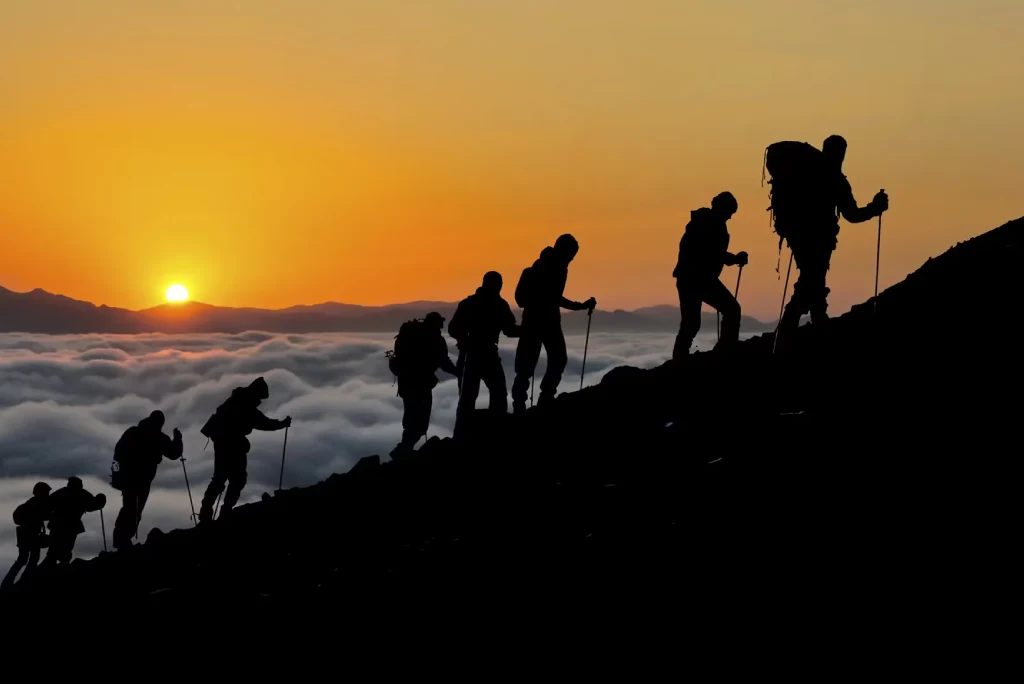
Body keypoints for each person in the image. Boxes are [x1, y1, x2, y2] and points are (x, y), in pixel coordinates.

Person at [778, 134, 888, 335]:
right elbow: (852, 215)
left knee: (812, 280)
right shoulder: (836, 180)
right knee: (811, 281)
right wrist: (875, 208)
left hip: (800, 238)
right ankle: (794, 326)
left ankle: (808, 322)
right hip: (818, 241)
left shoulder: (807, 173)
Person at [511, 234, 596, 413]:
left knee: (529, 365)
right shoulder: (548, 270)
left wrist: (579, 306)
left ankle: (526, 403)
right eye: (571, 254)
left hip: (536, 322)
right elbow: (553, 297)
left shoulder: (548, 269)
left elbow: (542, 298)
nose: (572, 259)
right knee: (548, 361)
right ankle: (542, 398)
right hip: (543, 323)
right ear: (562, 251)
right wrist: (579, 306)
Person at [197, 377, 291, 523]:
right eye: (260, 396)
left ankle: (206, 513)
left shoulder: (235, 400)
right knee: (237, 479)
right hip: (234, 446)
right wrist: (282, 424)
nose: (260, 400)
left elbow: (257, 420)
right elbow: (262, 422)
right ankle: (225, 512)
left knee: (219, 479)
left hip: (222, 445)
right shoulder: (245, 406)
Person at [671, 191, 748, 360]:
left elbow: (713, 252)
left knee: (691, 324)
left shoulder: (704, 222)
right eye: (729, 213)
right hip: (697, 279)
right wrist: (734, 258)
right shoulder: (708, 224)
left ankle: (680, 359)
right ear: (722, 208)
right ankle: (725, 350)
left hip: (691, 279)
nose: (729, 217)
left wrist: (732, 258)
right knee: (731, 310)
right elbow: (710, 252)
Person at [448, 271, 521, 434]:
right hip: (481, 354)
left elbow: (453, 328)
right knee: (494, 393)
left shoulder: (470, 303)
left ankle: (463, 435)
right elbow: (510, 330)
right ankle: (492, 431)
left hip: (476, 354)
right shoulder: (498, 305)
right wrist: (528, 330)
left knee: (470, 398)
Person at [111, 410, 184, 550]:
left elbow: (117, 454)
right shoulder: (159, 437)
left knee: (130, 508)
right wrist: (178, 439)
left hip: (130, 479)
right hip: (140, 480)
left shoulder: (133, 432)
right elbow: (174, 453)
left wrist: (116, 476)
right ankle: (123, 539)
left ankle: (121, 539)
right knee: (135, 509)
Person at [390, 312, 459, 458]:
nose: (441, 327)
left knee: (411, 419)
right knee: (420, 422)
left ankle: (403, 451)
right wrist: (459, 372)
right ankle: (403, 452)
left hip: (406, 384)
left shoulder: (411, 334)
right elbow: (444, 362)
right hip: (421, 385)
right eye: (440, 324)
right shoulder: (435, 339)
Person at [42, 477, 106, 567]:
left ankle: (49, 567)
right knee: (67, 549)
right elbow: (93, 505)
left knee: (53, 549)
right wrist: (101, 500)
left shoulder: (61, 493)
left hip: (57, 525)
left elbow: (48, 505)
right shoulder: (83, 494)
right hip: (72, 526)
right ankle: (63, 567)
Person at [1, 482, 51, 589]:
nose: (48, 494)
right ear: (41, 492)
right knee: (31, 559)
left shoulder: (31, 503)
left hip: (24, 534)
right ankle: (25, 581)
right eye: (46, 492)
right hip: (30, 535)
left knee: (23, 559)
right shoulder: (36, 504)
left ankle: (9, 584)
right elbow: (44, 515)